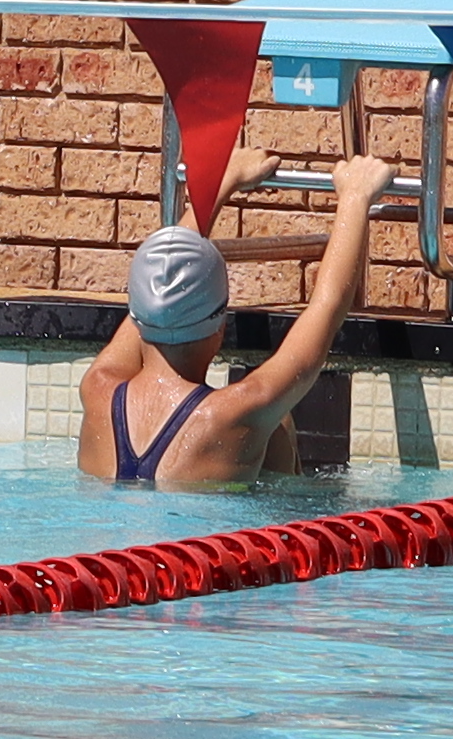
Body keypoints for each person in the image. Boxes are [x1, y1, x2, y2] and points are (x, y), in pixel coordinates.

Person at [76, 158, 387, 493]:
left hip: (113, 545)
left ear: (136, 319)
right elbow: (327, 308)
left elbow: (160, 285)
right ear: (219, 327)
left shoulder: (97, 389)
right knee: (277, 424)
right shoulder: (238, 412)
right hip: (212, 543)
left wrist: (220, 183)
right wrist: (356, 196)